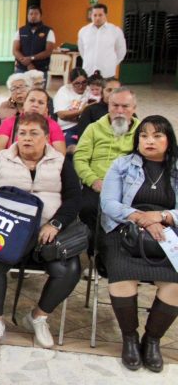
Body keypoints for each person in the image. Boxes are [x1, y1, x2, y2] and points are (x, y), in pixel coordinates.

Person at [0, 113, 81, 351]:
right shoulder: (1, 160)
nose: (27, 139)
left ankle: (38, 317)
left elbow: (74, 198)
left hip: (46, 234)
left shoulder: (60, 162)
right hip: (8, 231)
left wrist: (56, 224)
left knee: (69, 269)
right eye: (22, 133)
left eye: (34, 134)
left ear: (47, 137)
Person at [100, 115, 178, 373]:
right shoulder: (122, 165)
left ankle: (152, 340)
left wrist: (163, 217)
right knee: (122, 277)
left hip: (168, 234)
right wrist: (142, 219)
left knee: (176, 283)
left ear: (169, 140)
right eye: (144, 136)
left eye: (157, 136)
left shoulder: (176, 168)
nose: (150, 141)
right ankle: (130, 338)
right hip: (125, 230)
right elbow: (109, 203)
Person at [74, 87, 140, 268]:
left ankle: (125, 250)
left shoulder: (142, 132)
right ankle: (97, 253)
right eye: (115, 105)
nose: (119, 111)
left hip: (130, 186)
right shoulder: (94, 129)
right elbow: (80, 158)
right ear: (108, 106)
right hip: (98, 183)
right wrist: (93, 180)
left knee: (134, 212)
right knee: (88, 208)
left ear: (134, 108)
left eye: (125, 106)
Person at [0, 88, 66, 155]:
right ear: (24, 104)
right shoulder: (9, 122)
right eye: (32, 100)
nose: (35, 105)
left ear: (46, 109)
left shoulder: (53, 125)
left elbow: (60, 154)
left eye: (41, 103)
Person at [78, 3, 127, 77]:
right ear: (91, 15)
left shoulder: (115, 30)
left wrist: (112, 63)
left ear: (106, 15)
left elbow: (121, 51)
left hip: (107, 73)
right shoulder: (83, 31)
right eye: (95, 15)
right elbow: (82, 50)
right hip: (88, 72)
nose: (97, 18)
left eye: (100, 15)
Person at [54, 67, 90, 151]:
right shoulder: (64, 91)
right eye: (77, 83)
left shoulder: (89, 90)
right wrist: (81, 111)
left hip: (85, 125)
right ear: (71, 82)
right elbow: (61, 115)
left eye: (84, 82)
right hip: (67, 127)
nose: (81, 86)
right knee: (72, 147)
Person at [13, 5, 56, 75]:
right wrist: (28, 63)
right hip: (21, 69)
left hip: (40, 69)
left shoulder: (48, 31)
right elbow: (15, 50)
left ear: (40, 16)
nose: (33, 16)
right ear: (27, 16)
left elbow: (48, 51)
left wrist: (31, 58)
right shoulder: (21, 31)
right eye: (31, 14)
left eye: (36, 14)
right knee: (20, 86)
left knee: (38, 87)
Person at [0, 73, 29, 143]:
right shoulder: (4, 107)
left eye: (22, 87)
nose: (18, 91)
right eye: (13, 89)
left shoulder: (35, 106)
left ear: (29, 88)